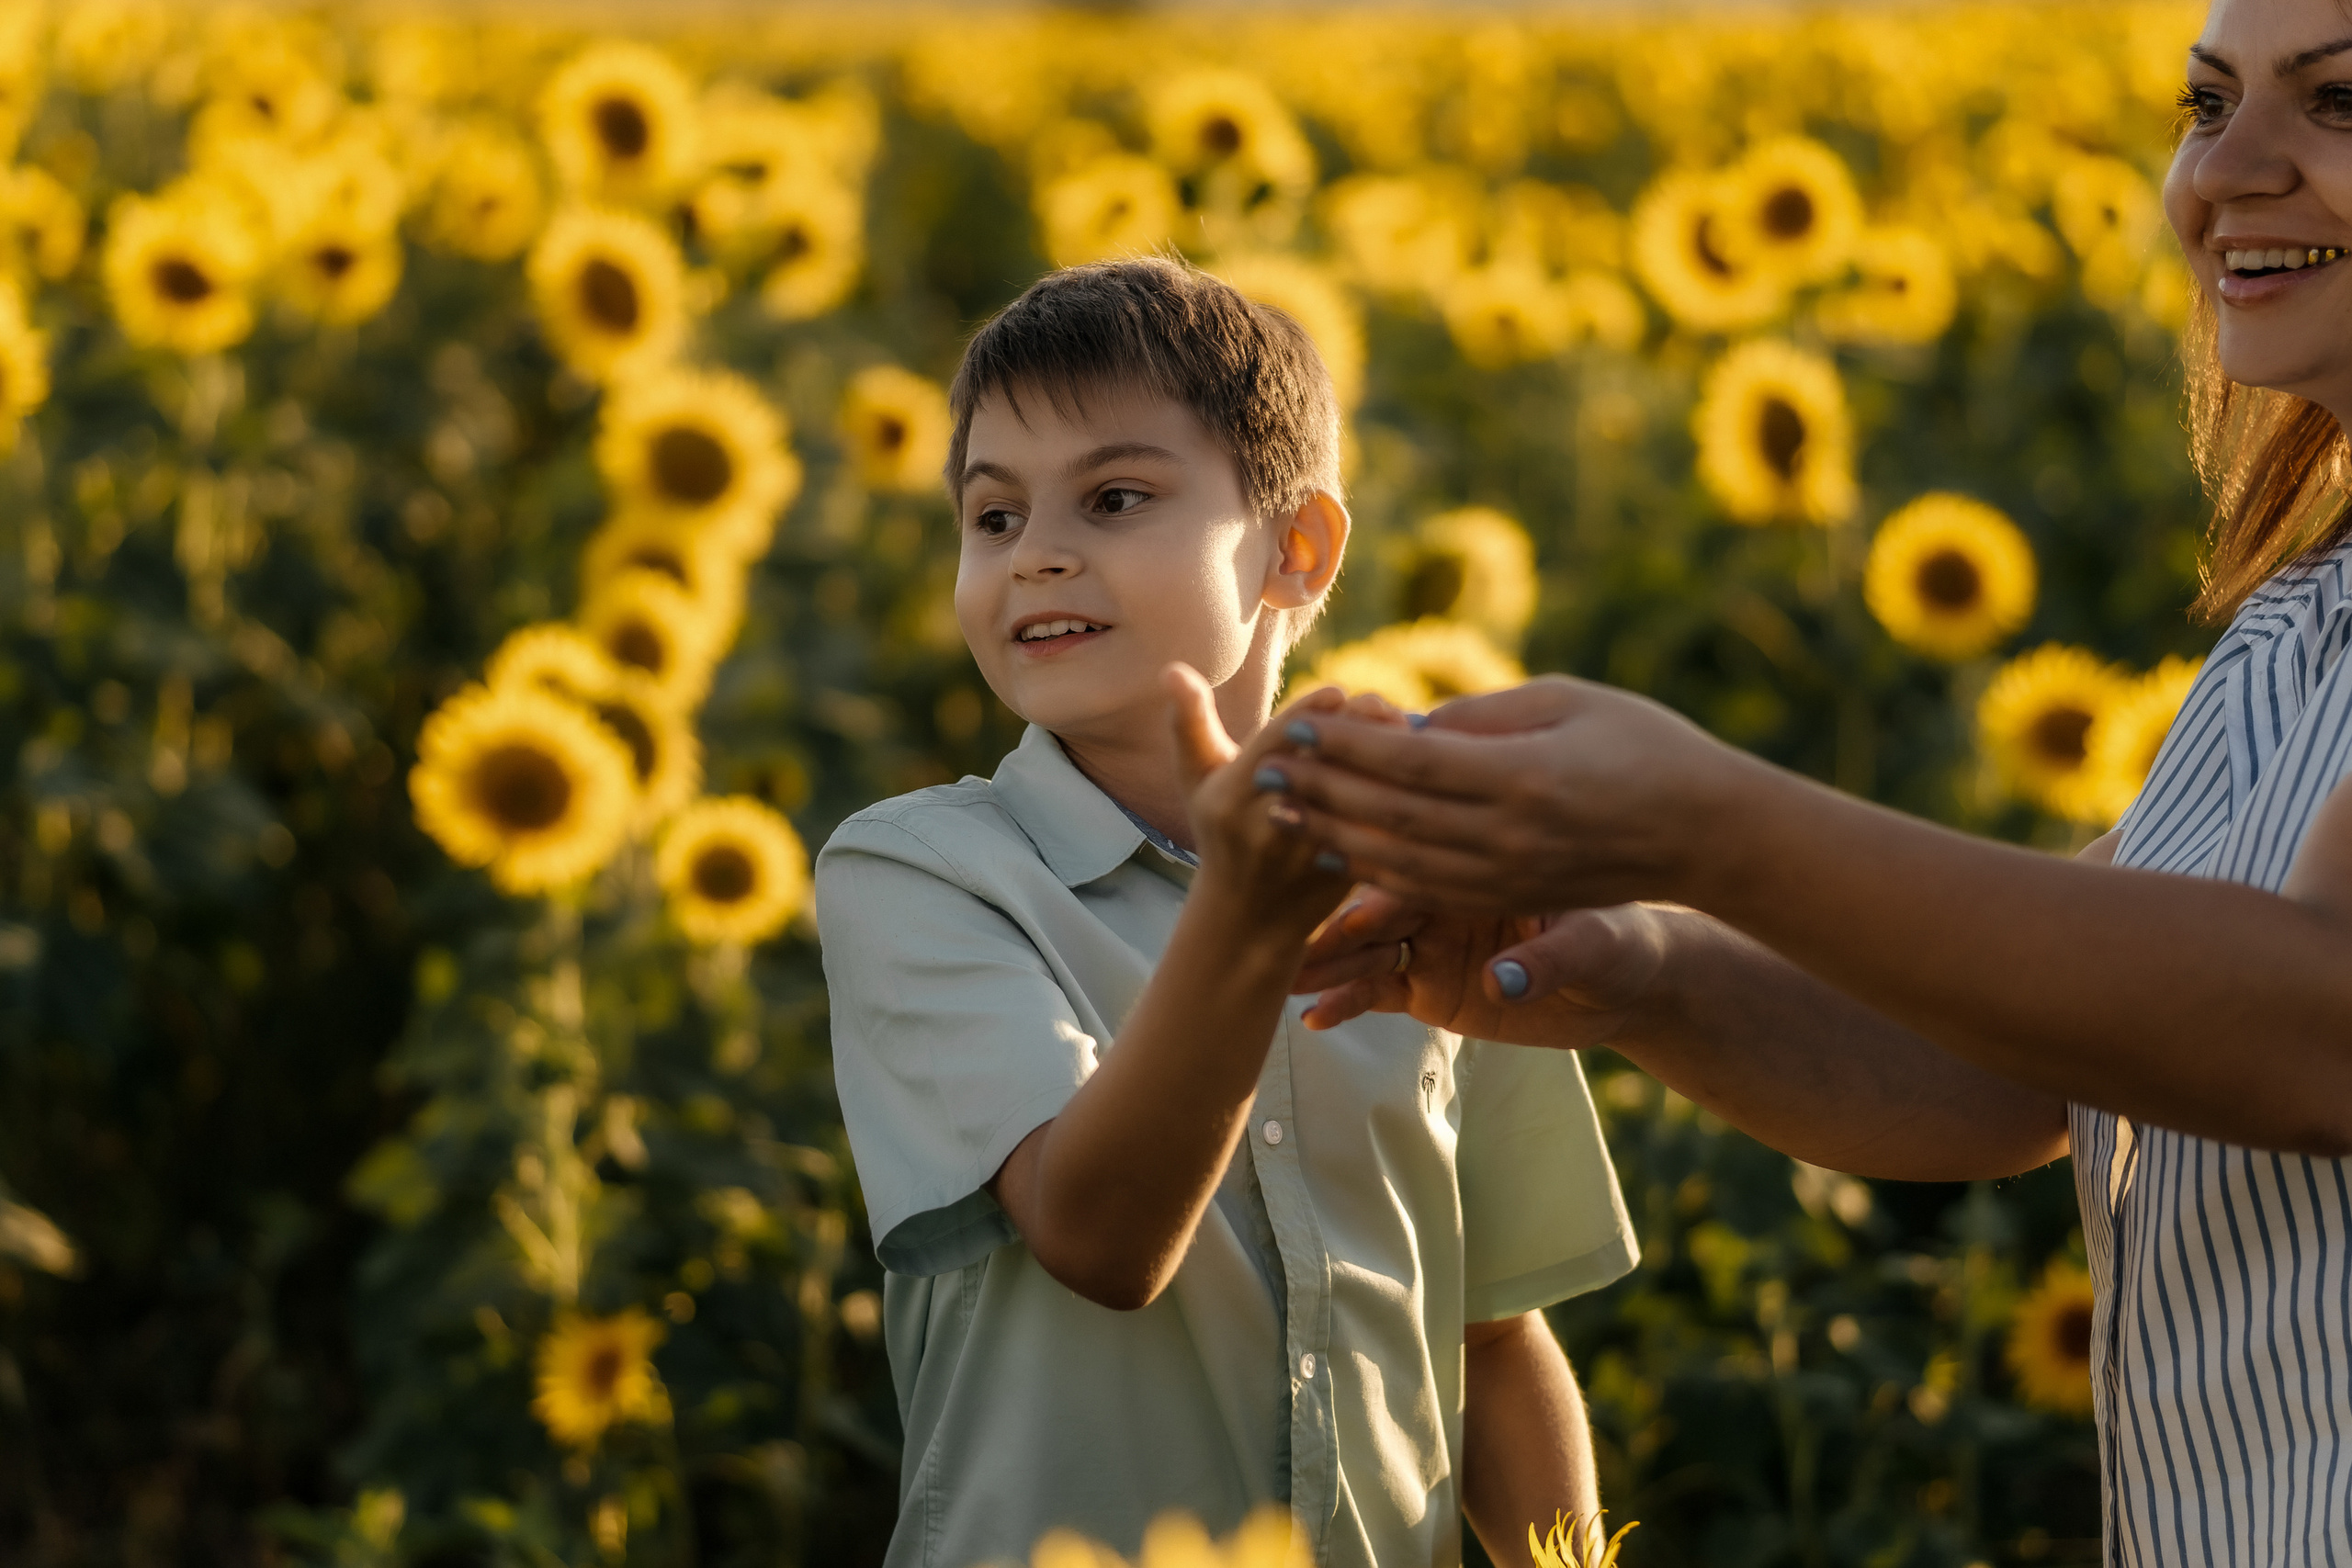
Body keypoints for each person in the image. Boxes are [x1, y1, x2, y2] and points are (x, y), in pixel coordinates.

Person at [1250, 2, 2352, 1561]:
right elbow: (2040, 1054)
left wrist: (1711, 823)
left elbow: (2317, 1029)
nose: (2221, 173)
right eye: (2206, 101)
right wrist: (1633, 959)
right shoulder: (2303, 616)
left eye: (2338, 104)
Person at [815, 257, 1637, 1568]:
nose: (1040, 557)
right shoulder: (924, 875)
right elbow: (1098, 1236)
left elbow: (1490, 1332)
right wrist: (1252, 919)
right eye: (994, 519)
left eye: (1116, 497)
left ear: (1295, 552)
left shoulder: (1438, 875)